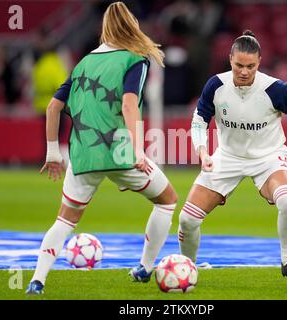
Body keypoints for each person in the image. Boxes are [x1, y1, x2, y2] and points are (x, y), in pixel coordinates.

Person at [178, 30, 287, 285]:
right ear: (230, 59)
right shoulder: (216, 85)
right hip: (227, 157)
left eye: (250, 66)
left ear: (259, 63)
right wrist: (203, 151)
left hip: (268, 157)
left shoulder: (275, 89)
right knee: (187, 219)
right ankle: (187, 269)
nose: (244, 71)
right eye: (239, 65)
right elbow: (199, 120)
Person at [26, 2, 178, 294]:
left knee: (64, 220)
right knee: (167, 200)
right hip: (120, 153)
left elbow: (53, 107)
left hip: (82, 155)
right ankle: (145, 269)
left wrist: (52, 153)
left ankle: (37, 280)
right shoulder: (135, 58)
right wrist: (138, 151)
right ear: (132, 26)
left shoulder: (83, 62)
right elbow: (129, 104)